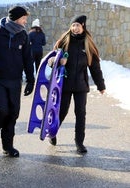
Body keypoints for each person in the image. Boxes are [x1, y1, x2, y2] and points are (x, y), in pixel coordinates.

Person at [0, 6, 35, 158]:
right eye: (24, 18)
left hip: (15, 80)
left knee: (13, 113)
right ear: (16, 18)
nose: (26, 21)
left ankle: (8, 145)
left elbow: (27, 59)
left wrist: (31, 80)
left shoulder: (23, 35)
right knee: (1, 110)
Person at [49, 15, 106, 154]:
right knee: (62, 111)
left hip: (81, 85)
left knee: (81, 113)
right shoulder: (64, 42)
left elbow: (95, 68)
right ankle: (53, 132)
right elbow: (50, 60)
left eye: (78, 25)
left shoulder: (88, 45)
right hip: (65, 84)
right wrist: (57, 62)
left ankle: (79, 142)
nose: (75, 28)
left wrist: (101, 85)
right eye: (73, 25)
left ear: (83, 27)